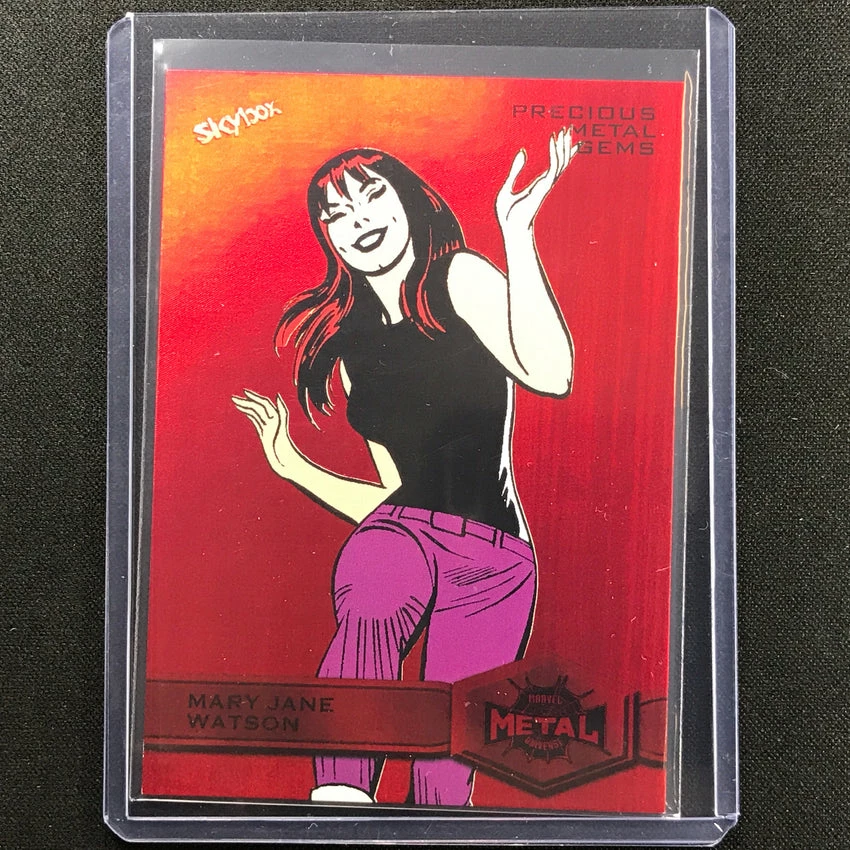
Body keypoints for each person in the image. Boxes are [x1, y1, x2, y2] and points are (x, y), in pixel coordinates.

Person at [232, 129, 579, 806]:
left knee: (448, 763)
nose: (358, 221)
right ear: (328, 238)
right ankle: (340, 792)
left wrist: (517, 234)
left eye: (371, 197)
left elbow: (552, 373)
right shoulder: (352, 352)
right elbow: (397, 495)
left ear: (410, 202)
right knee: (373, 599)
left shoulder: (458, 278)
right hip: (401, 536)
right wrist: (293, 466)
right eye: (336, 214)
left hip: (499, 561)